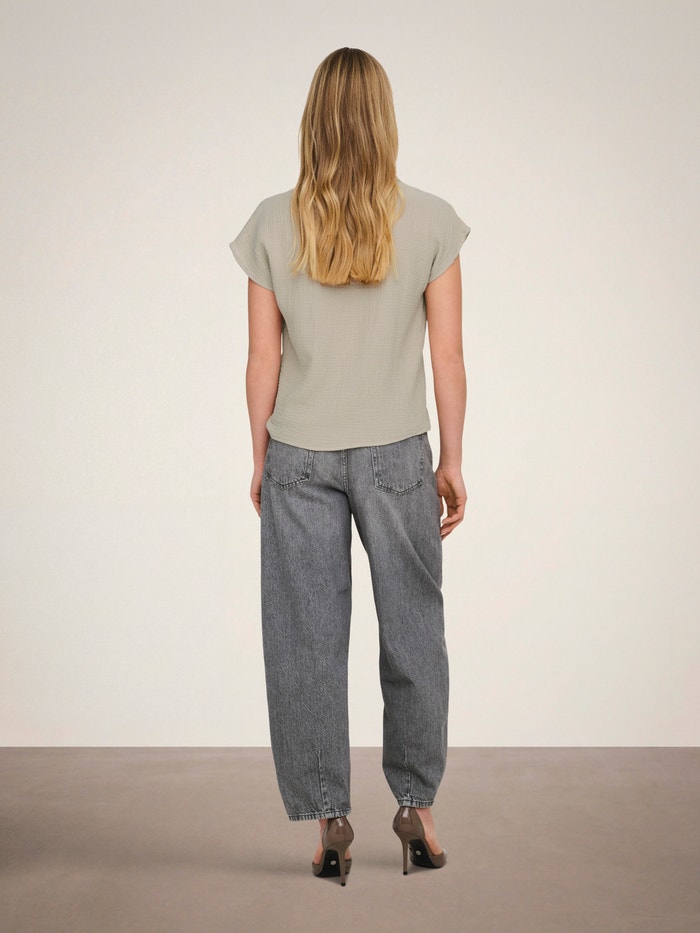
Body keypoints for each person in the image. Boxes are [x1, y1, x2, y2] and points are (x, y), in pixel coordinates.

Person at [229, 47, 469, 885]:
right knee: (414, 631)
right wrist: (453, 458)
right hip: (399, 453)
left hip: (299, 454)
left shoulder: (271, 221)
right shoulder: (432, 220)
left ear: (313, 120)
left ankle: (330, 818)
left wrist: (260, 455)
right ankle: (416, 809)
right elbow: (447, 357)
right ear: (384, 119)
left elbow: (263, 357)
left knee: (304, 641)